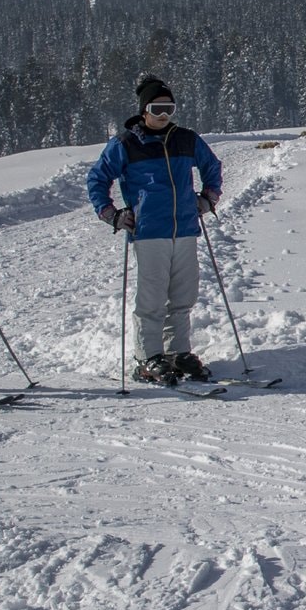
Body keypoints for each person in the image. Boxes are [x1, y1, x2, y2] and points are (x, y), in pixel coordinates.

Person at [86, 74, 224, 385]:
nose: (164, 116)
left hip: (185, 228)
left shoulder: (185, 139)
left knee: (183, 295)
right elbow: (97, 179)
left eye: (169, 108)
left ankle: (177, 352)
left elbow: (212, 167)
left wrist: (208, 198)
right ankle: (148, 357)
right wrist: (111, 213)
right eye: (158, 108)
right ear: (144, 109)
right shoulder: (125, 144)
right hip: (149, 231)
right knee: (151, 298)